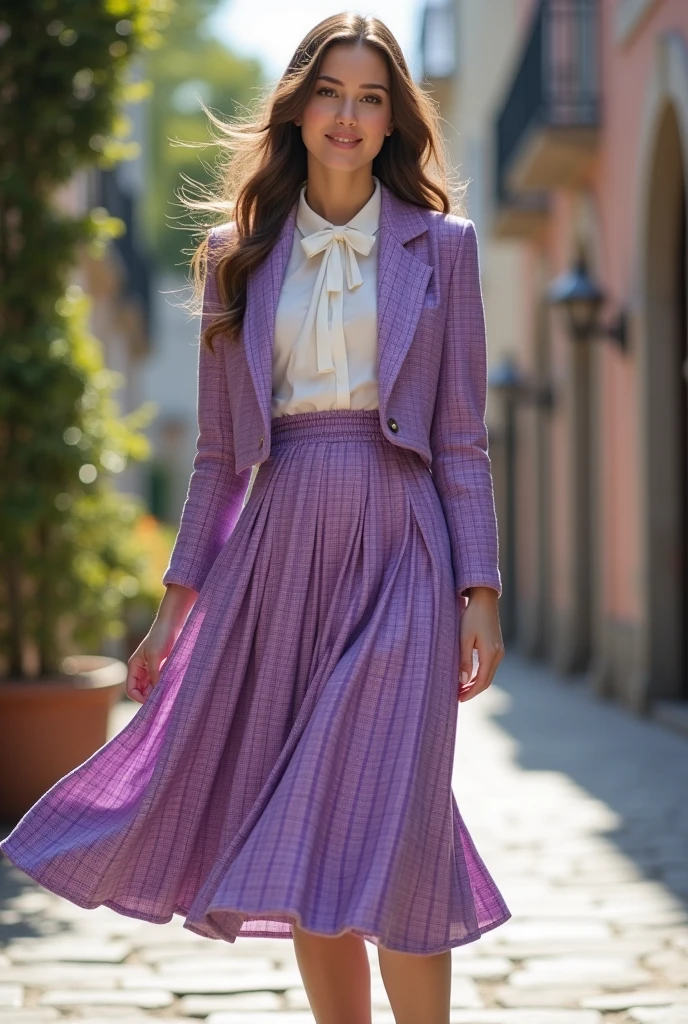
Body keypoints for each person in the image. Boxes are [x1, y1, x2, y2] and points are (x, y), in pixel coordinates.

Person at [0, 12, 511, 1024]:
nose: (349, 116)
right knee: (309, 824)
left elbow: (460, 437)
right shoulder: (233, 254)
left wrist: (478, 589)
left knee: (398, 822)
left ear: (394, 120)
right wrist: (172, 605)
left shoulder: (442, 250)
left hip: (400, 542)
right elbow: (217, 457)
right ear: (298, 106)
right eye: (331, 92)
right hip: (278, 557)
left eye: (372, 98)